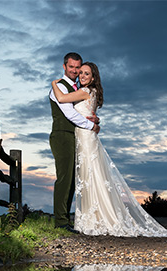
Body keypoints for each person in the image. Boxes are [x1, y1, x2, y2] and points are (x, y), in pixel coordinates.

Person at [52, 62, 167, 237]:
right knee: (90, 176)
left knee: (89, 176)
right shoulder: (90, 91)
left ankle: (94, 219)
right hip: (85, 137)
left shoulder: (84, 91)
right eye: (81, 73)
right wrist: (94, 121)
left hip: (85, 137)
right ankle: (94, 217)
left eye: (86, 74)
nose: (82, 76)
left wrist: (54, 83)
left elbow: (62, 100)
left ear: (93, 78)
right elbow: (82, 112)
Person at [49, 52, 100, 233]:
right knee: (64, 178)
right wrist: (90, 125)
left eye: (78, 67)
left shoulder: (77, 88)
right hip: (62, 135)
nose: (75, 70)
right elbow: (69, 114)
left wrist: (94, 119)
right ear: (64, 66)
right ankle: (61, 221)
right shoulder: (59, 88)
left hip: (75, 136)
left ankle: (66, 219)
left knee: (72, 179)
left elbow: (82, 109)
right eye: (71, 67)